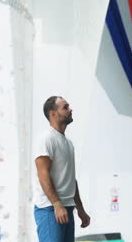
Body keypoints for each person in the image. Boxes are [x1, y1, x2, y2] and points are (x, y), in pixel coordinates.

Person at [33, 96, 90, 242]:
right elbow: (43, 174)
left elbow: (70, 179)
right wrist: (57, 205)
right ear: (53, 114)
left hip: (67, 208)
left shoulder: (68, 143)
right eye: (65, 107)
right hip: (50, 209)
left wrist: (80, 209)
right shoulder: (46, 139)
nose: (70, 110)